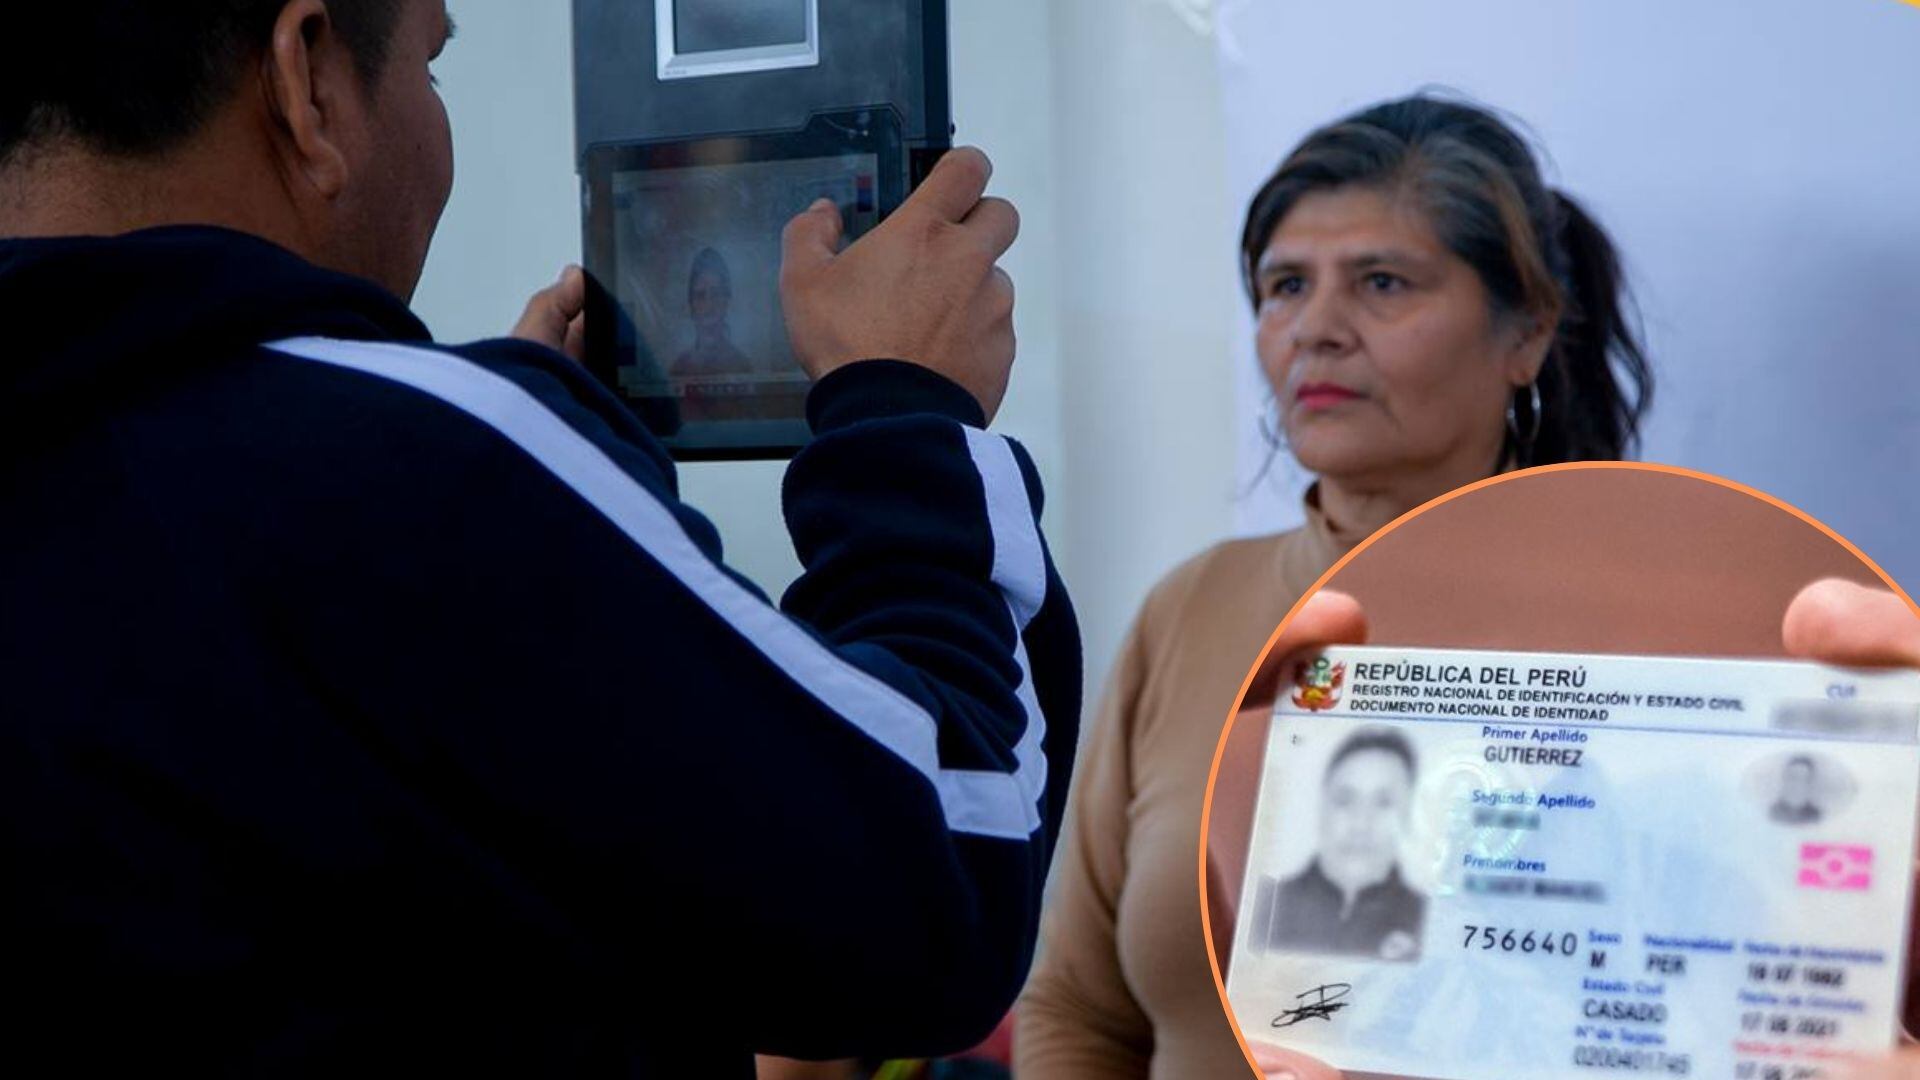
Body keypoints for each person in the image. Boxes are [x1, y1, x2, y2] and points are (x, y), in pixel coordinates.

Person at [0, 2, 1079, 1075]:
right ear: (307, 80)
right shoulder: (428, 480)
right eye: (433, 66)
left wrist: (523, 499)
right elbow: (943, 869)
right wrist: (910, 416)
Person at [1014, 93, 1652, 1078]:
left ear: (1525, 333)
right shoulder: (1190, 609)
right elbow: (1078, 1010)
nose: (1316, 328)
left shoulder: (1650, 628)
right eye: (1283, 287)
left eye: (1383, 282)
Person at [1243, 579, 1920, 1080]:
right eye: (1348, 799)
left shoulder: (1686, 862)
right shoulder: (1301, 923)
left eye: (1382, 798)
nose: (1363, 821)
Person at [1245, 728, 1424, 961]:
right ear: (1322, 809)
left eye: (1383, 803)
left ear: (1409, 814)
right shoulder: (1264, 907)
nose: (1361, 823)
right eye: (1345, 800)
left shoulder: (1428, 921)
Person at [671, 246, 757, 376]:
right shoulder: (679, 368)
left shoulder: (742, 366)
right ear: (691, 304)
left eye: (716, 294)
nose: (709, 305)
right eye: (700, 296)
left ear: (726, 301)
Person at [1769, 755, 1823, 825]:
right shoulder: (1773, 813)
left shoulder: (1816, 816)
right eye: (1793, 777)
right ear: (1785, 779)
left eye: (1803, 779)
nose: (1796, 784)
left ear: (1809, 784)